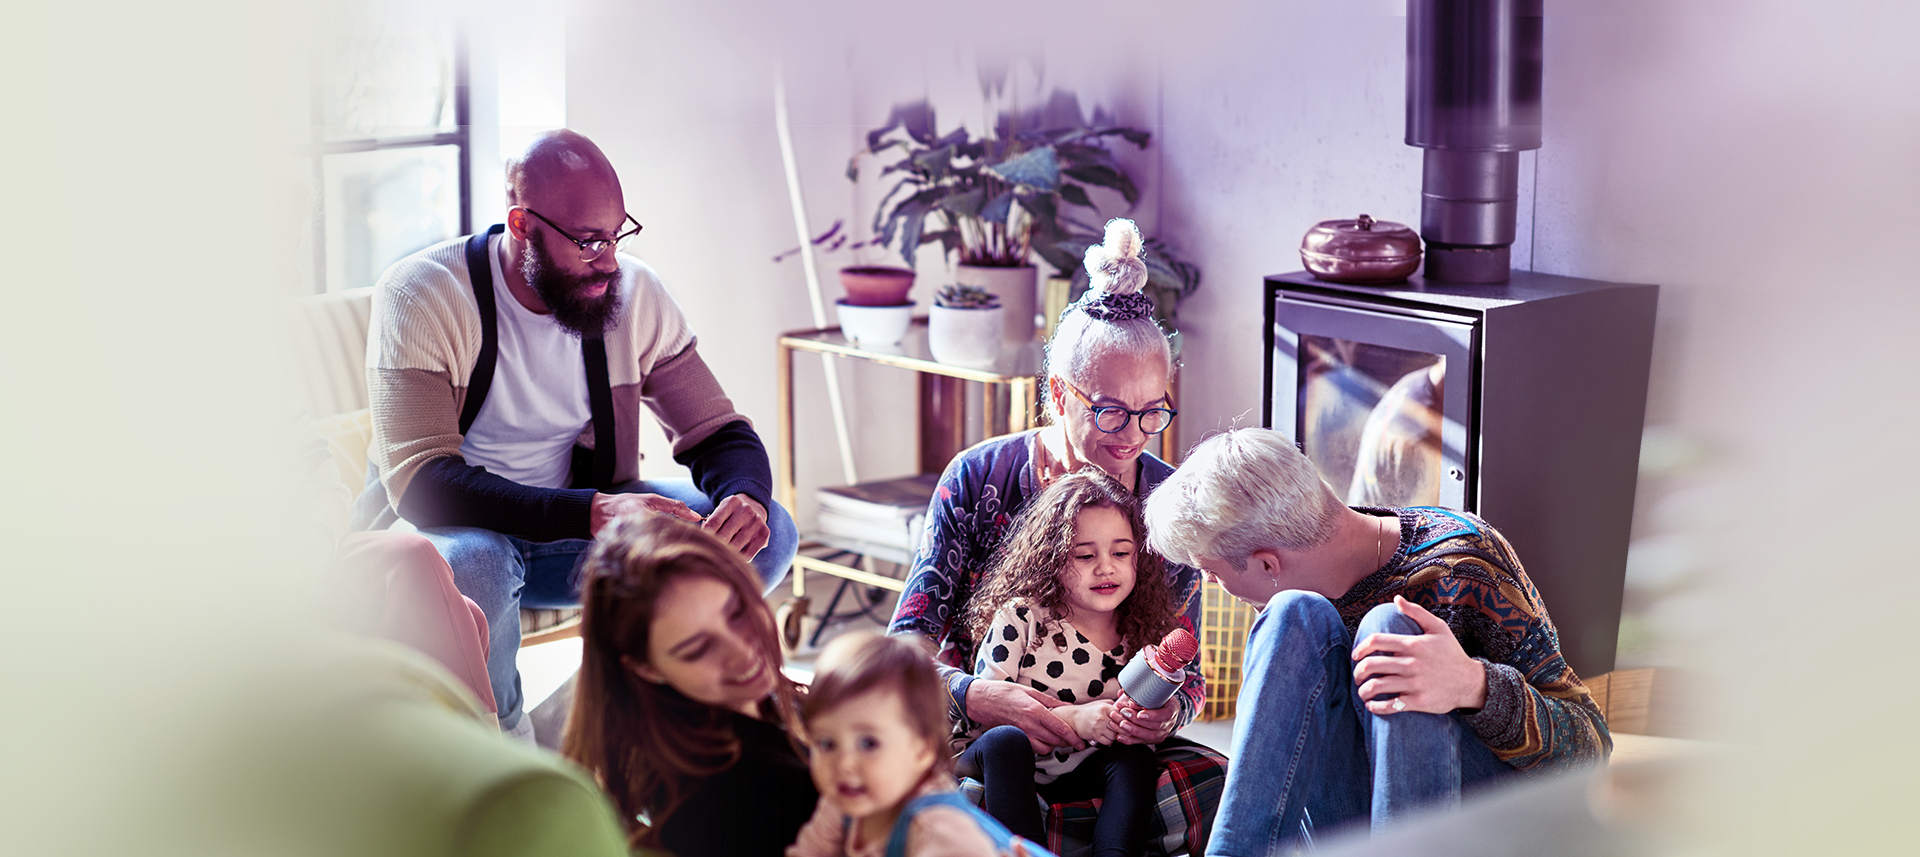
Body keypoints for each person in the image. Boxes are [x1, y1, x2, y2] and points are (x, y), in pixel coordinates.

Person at [356, 128, 798, 739]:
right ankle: (508, 753)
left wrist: (744, 495)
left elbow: (718, 432)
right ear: (522, 225)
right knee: (477, 563)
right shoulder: (423, 293)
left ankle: (593, 718)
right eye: (589, 242)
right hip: (449, 534)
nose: (609, 261)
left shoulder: (633, 293)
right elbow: (423, 485)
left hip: (572, 534)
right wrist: (592, 511)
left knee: (770, 535)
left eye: (617, 236)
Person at [889, 218, 1223, 855]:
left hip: (1105, 750)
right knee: (916, 783)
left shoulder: (1169, 504)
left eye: (1152, 411)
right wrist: (975, 696)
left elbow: (1189, 674)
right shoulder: (978, 477)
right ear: (1059, 393)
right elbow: (903, 650)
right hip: (988, 747)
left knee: (1215, 781)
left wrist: (1160, 715)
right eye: (1111, 411)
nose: (1133, 435)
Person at [1140, 428, 1612, 854]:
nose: (1214, 585)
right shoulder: (1295, 616)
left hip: (1477, 830)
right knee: (1291, 614)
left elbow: (1591, 751)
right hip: (1348, 829)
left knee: (1390, 628)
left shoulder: (1464, 561)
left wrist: (1474, 686)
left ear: (1267, 564)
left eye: (1211, 572)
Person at [561, 514, 817, 857]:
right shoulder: (741, 796)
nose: (742, 653)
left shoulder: (749, 719)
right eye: (698, 649)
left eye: (738, 611)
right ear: (646, 669)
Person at [958, 470, 1174, 856]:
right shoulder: (1021, 618)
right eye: (1085, 556)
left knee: (1136, 757)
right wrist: (1075, 719)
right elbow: (985, 719)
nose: (1106, 568)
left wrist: (1142, 721)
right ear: (1051, 558)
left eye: (1121, 553)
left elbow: (1148, 710)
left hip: (1081, 770)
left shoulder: (1138, 628)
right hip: (1007, 764)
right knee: (1005, 743)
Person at [788, 630, 1059, 857]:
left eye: (869, 743)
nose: (844, 763)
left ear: (921, 750)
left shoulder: (939, 834)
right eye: (827, 743)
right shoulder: (847, 793)